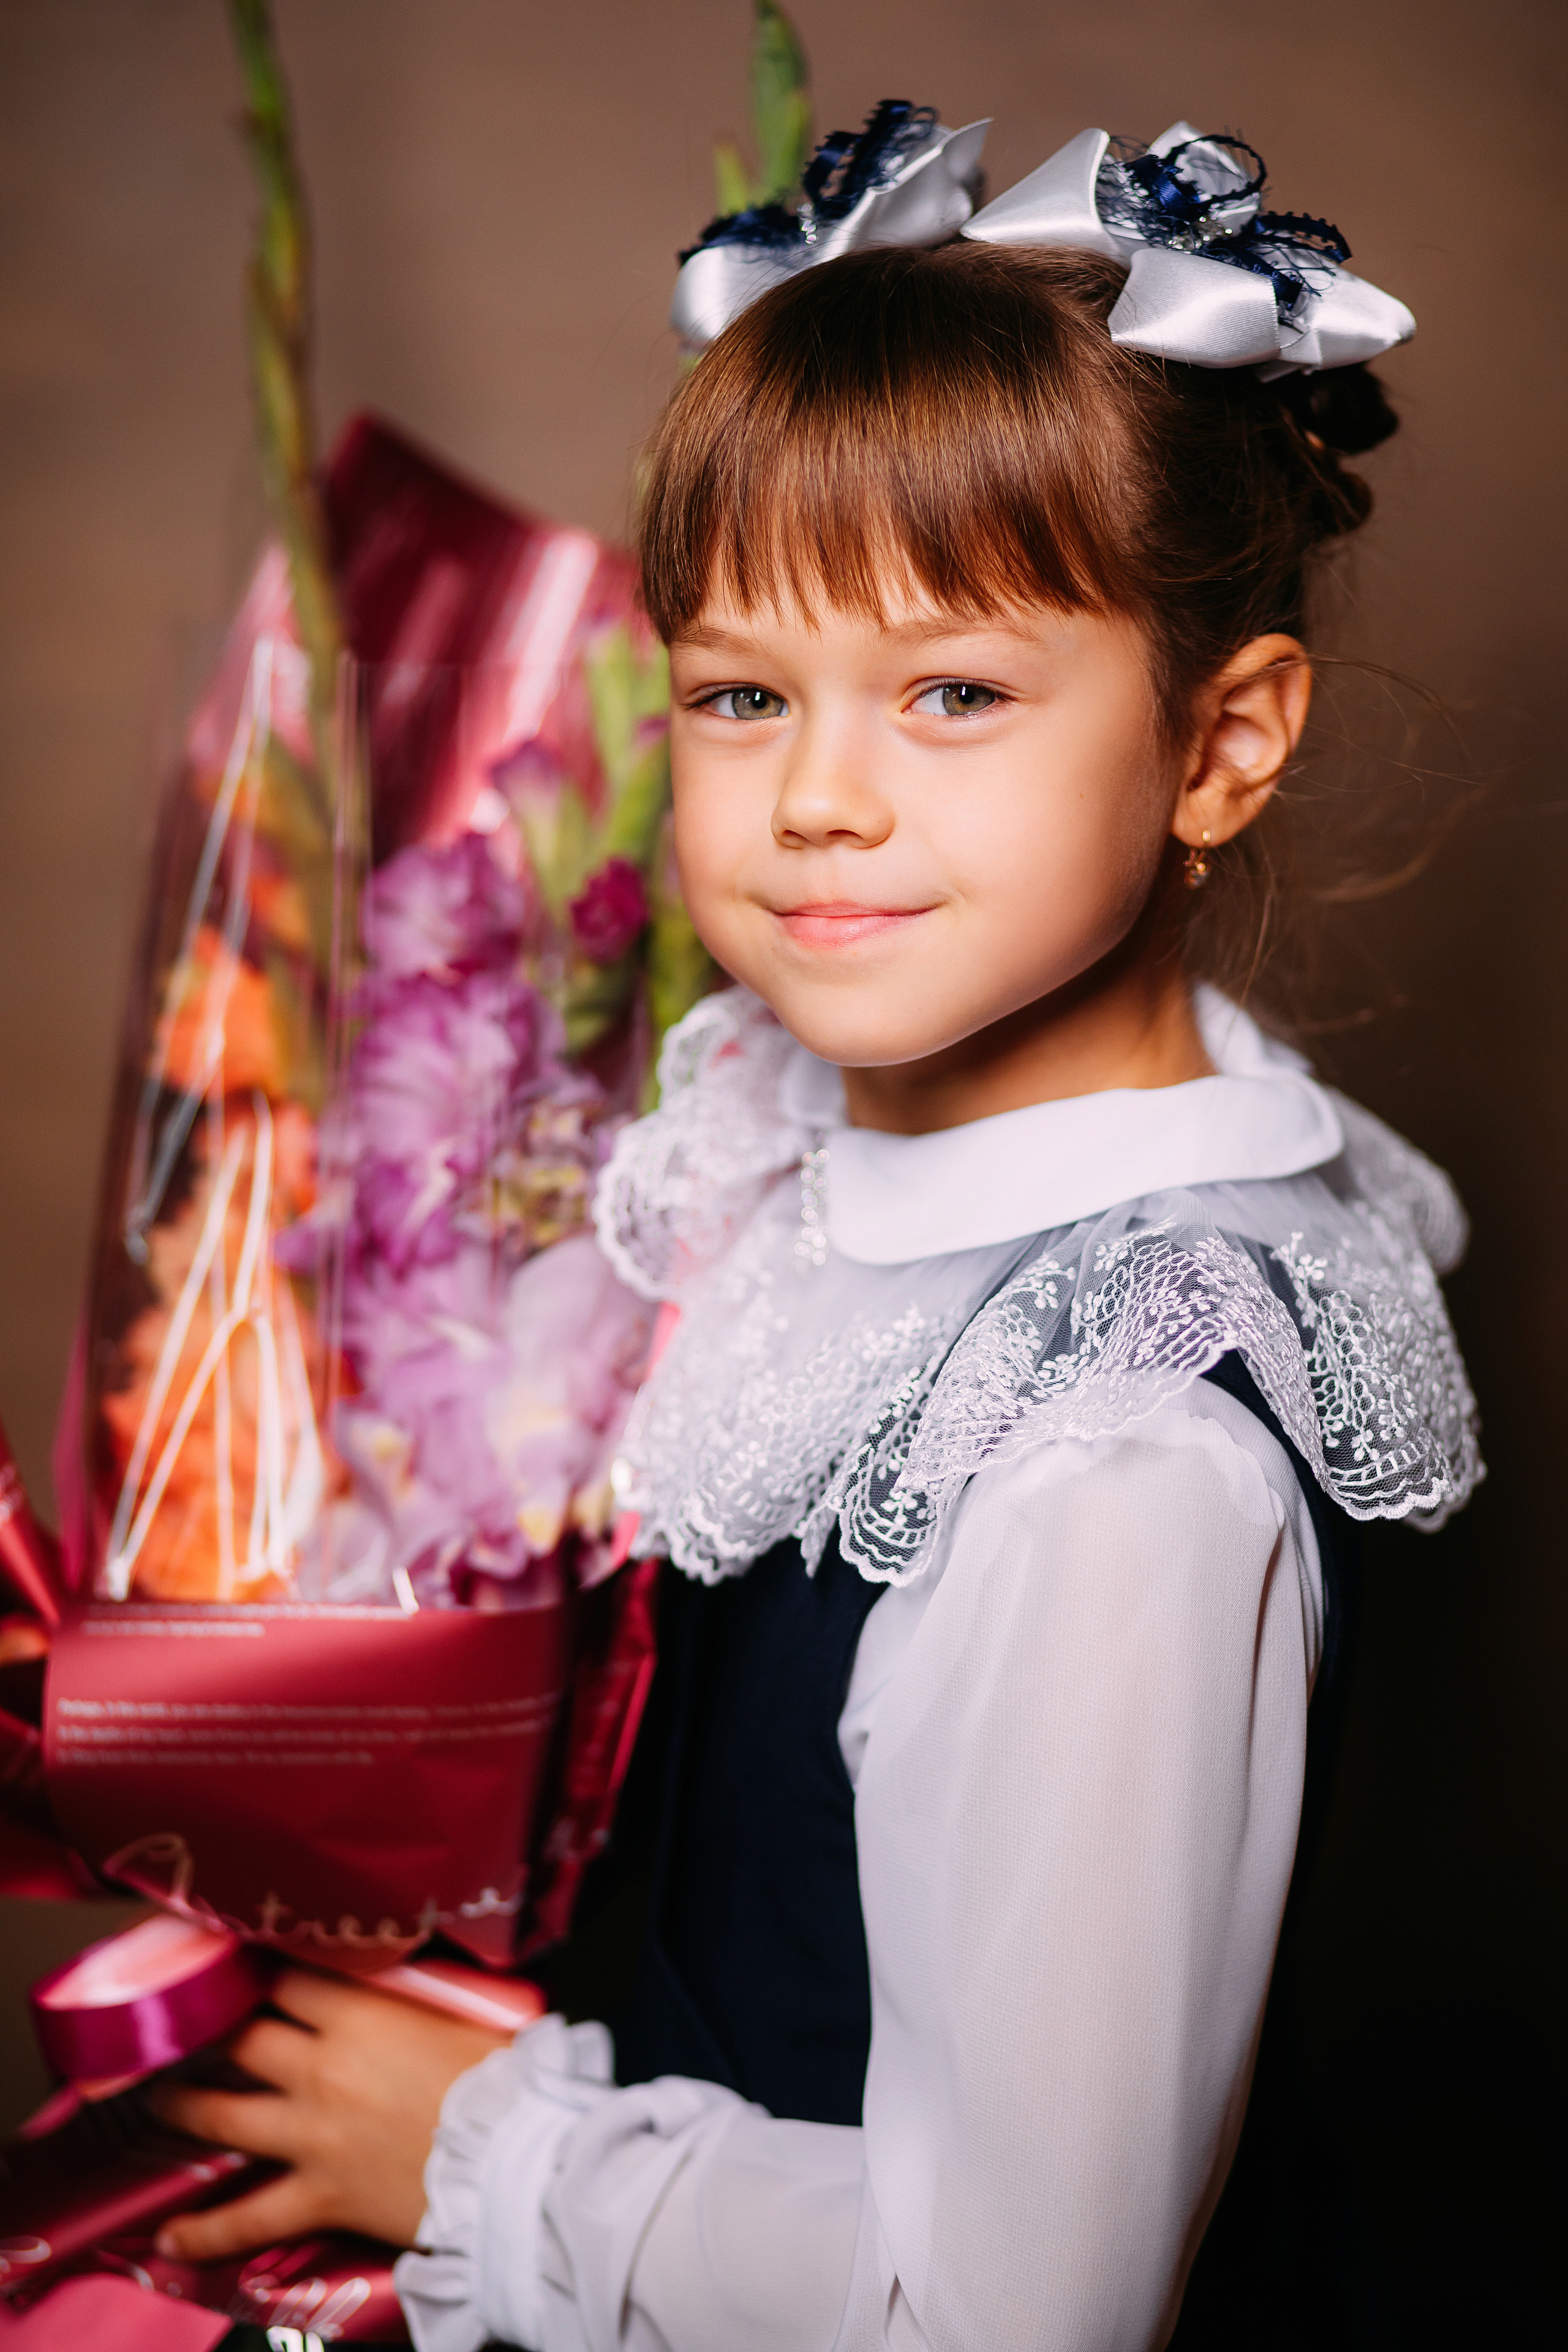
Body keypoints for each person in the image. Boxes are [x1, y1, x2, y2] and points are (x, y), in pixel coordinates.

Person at [155, 109, 1480, 2351]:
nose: (819, 798)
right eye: (742, 693)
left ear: (1223, 743)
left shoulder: (1115, 1465)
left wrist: (483, 2151)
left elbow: (1009, 2316)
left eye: (955, 692)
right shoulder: (788, 1159)